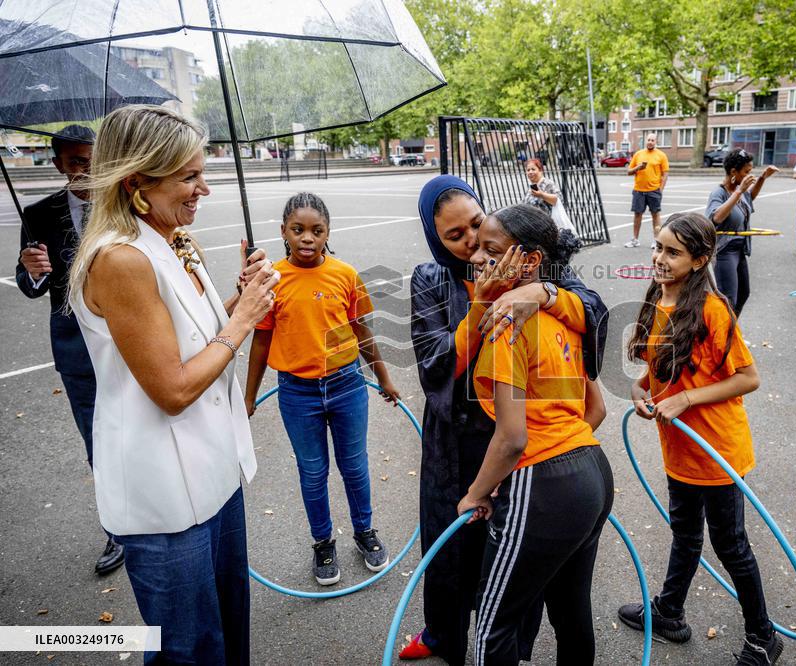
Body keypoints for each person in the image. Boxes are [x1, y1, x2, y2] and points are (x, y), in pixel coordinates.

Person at [67, 104, 279, 663]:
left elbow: (195, 336)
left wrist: (242, 297)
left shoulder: (173, 239)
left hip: (215, 469)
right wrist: (242, 322)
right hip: (162, 491)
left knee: (229, 626)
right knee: (188, 648)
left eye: (202, 173)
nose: (203, 189)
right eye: (189, 177)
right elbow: (173, 388)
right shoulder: (121, 259)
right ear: (137, 181)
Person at [402, 175, 608, 663]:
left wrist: (543, 294)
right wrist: (480, 306)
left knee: (512, 563)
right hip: (458, 441)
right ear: (436, 240)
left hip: (518, 441)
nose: (471, 242)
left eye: (476, 224)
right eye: (455, 236)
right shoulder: (432, 279)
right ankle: (444, 635)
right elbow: (435, 365)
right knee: (451, 548)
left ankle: (509, 643)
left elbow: (591, 311)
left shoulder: (524, 261)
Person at [617, 213, 783, 665]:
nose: (660, 258)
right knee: (686, 535)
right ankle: (669, 613)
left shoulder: (713, 310)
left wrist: (687, 398)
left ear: (699, 259)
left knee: (731, 547)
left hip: (717, 451)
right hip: (680, 451)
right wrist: (640, 389)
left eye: (673, 252)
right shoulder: (658, 297)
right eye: (658, 247)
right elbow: (659, 370)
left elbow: (748, 378)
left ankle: (763, 636)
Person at [460, 204, 613, 665]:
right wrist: (562, 460)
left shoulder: (507, 324)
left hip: (545, 486)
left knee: (493, 626)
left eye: (491, 252)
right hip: (594, 474)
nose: (477, 258)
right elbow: (596, 408)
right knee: (571, 610)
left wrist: (476, 493)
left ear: (529, 261)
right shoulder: (567, 316)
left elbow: (512, 439)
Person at [243, 193, 400, 584]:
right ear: (284, 231)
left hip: (347, 385)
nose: (307, 238)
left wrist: (384, 378)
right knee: (313, 472)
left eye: (317, 230)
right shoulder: (272, 280)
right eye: (298, 230)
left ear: (328, 232)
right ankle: (323, 542)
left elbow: (362, 332)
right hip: (297, 392)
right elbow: (261, 340)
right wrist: (248, 396)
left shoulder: (345, 275)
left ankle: (364, 531)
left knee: (354, 466)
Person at [15, 124, 125, 575]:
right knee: (97, 437)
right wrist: (33, 270)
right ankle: (117, 528)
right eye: (78, 162)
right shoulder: (38, 214)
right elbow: (30, 285)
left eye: (95, 161)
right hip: (76, 348)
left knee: (140, 427)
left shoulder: (123, 204)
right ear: (59, 163)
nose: (89, 171)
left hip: (127, 339)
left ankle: (151, 508)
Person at [706, 149, 780, 317]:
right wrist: (739, 192)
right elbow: (716, 217)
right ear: (733, 172)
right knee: (728, 298)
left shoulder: (739, 189)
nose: (749, 175)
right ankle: (723, 331)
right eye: (746, 172)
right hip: (724, 250)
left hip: (739, 248)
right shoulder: (719, 193)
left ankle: (731, 327)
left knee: (743, 293)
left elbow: (749, 198)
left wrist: (762, 178)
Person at [625, 133, 669, 248]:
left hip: (654, 190)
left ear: (656, 142)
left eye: (652, 140)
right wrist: (638, 167)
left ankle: (657, 240)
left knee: (655, 215)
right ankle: (635, 240)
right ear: (646, 141)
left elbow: (665, 174)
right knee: (637, 214)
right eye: (648, 140)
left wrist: (660, 190)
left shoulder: (661, 155)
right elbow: (629, 171)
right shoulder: (638, 154)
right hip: (638, 190)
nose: (650, 142)